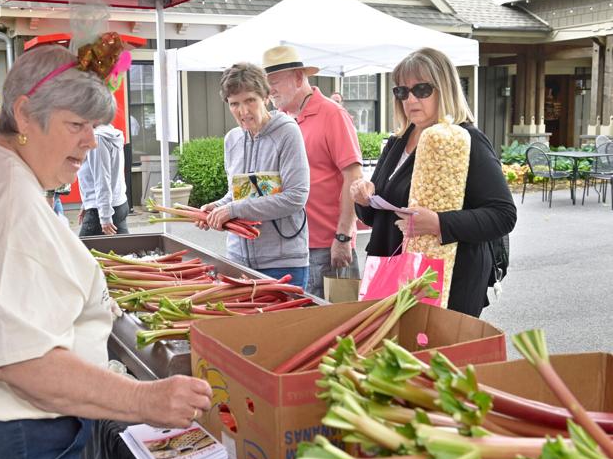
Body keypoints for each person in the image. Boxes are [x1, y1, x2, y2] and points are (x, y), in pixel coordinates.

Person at [0, 44, 212, 459]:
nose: (90, 140)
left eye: (95, 125)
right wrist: (143, 398)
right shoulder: (7, 201)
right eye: (76, 124)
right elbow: (20, 361)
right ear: (25, 114)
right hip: (0, 442)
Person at [350, 47, 516, 318]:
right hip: (390, 269)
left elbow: (503, 215)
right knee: (392, 354)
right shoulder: (397, 141)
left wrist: (440, 224)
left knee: (434, 356)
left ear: (445, 89)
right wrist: (363, 200)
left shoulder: (465, 140)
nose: (410, 99)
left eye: (422, 89)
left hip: (448, 278)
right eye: (402, 91)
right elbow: (375, 215)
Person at [262, 45, 363, 298]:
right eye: (266, 84)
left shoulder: (332, 114)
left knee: (337, 326)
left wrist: (343, 237)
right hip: (290, 245)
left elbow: (353, 177)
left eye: (274, 82)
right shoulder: (279, 120)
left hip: (326, 246)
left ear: (298, 78)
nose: (269, 91)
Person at [198, 62, 310, 289]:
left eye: (250, 100)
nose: (243, 111)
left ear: (266, 97)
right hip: (238, 261)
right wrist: (217, 207)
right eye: (234, 104)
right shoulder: (232, 140)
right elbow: (237, 193)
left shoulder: (287, 132)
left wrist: (233, 210)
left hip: (283, 263)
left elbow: (296, 197)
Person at [78, 123, 129, 236]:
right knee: (124, 250)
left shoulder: (98, 138)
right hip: (117, 204)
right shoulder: (110, 133)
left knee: (81, 252)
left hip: (102, 209)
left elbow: (102, 179)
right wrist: (86, 204)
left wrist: (105, 217)